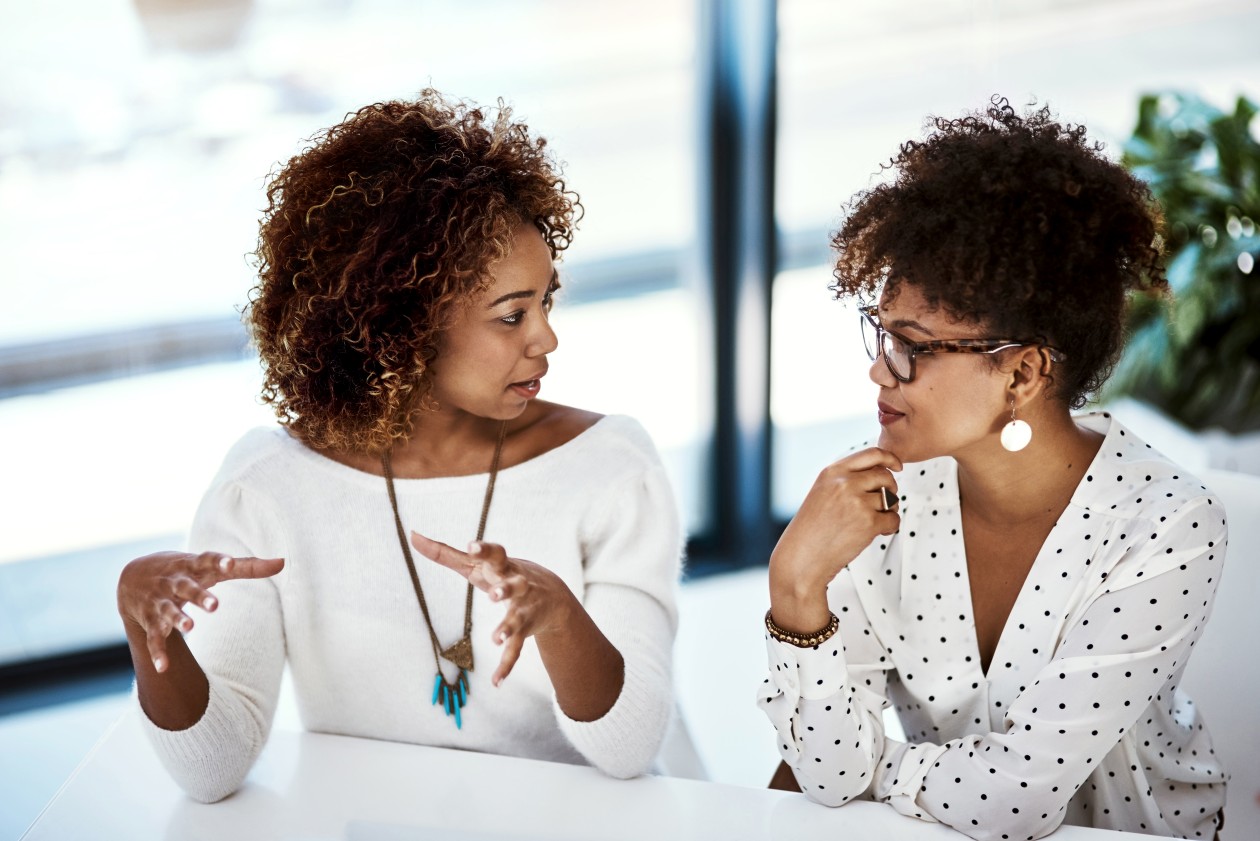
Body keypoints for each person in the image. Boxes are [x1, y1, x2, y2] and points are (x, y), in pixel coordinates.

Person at [115, 90, 682, 803]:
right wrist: (146, 635)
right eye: (512, 315)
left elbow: (630, 749)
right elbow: (212, 768)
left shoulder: (611, 466)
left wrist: (560, 614)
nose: (546, 338)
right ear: (403, 323)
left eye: (547, 300)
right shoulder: (265, 486)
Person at [760, 98, 1227, 840]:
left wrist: (878, 768)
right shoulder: (874, 497)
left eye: (913, 346)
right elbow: (826, 773)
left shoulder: (1167, 523)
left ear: (1023, 374)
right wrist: (794, 587)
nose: (880, 372)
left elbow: (1015, 802)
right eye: (880, 334)